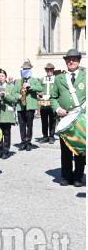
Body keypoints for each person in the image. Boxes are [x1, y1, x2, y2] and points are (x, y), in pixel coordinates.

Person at [50, 49, 85, 187]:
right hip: (64, 120)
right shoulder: (59, 78)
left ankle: (78, 177)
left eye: (74, 59)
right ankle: (66, 176)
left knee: (81, 150)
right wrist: (58, 109)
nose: (71, 61)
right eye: (69, 59)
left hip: (80, 120)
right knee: (65, 150)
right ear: (65, 61)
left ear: (78, 61)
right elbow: (53, 98)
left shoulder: (85, 76)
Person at [0, 69, 18, 159]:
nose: (1, 78)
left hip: (6, 113)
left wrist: (6, 95)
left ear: (6, 77)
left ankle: (5, 151)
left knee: (6, 133)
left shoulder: (11, 87)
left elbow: (14, 99)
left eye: (2, 76)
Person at [14, 60, 42, 151]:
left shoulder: (34, 80)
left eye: (27, 69)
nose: (25, 70)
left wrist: (30, 86)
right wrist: (18, 96)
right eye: (24, 69)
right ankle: (23, 142)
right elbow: (14, 92)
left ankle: (28, 141)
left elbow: (40, 88)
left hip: (30, 106)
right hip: (21, 105)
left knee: (29, 125)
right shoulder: (18, 81)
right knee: (22, 125)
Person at [39, 62, 57, 144]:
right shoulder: (42, 79)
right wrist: (39, 93)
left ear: (53, 70)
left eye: (51, 69)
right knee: (44, 120)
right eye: (47, 69)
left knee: (53, 121)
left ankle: (51, 136)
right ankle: (45, 136)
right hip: (44, 104)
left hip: (52, 103)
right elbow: (38, 89)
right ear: (45, 70)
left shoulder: (56, 79)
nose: (49, 71)